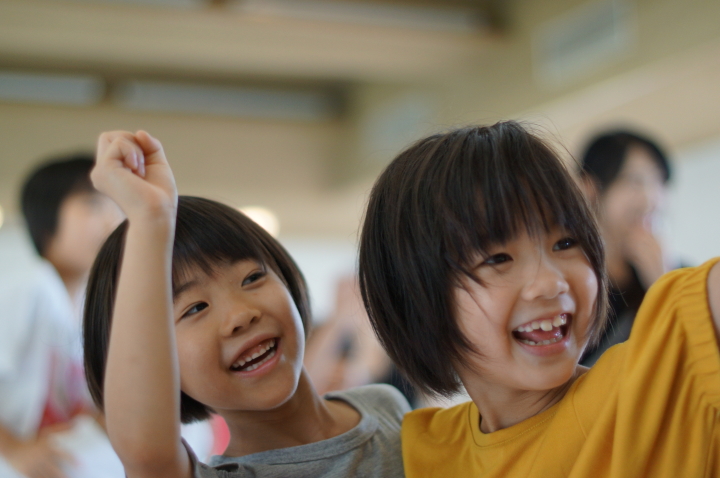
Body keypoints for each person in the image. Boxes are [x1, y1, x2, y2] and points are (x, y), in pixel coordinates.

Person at [358, 121, 720, 477]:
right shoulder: (425, 450)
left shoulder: (653, 392)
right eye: (498, 259)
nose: (550, 283)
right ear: (418, 299)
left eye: (566, 242)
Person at [82, 130, 409, 478]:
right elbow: (146, 454)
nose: (240, 314)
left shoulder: (384, 405)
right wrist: (151, 219)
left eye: (252, 278)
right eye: (195, 308)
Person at [0, 155, 122, 478]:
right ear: (47, 215)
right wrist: (13, 449)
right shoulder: (29, 287)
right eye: (93, 204)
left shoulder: (88, 305)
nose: (112, 219)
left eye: (116, 205)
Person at [578, 130, 673, 365]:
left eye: (658, 182)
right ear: (589, 187)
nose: (650, 199)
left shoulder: (679, 275)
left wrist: (664, 286)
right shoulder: (572, 286)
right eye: (634, 181)